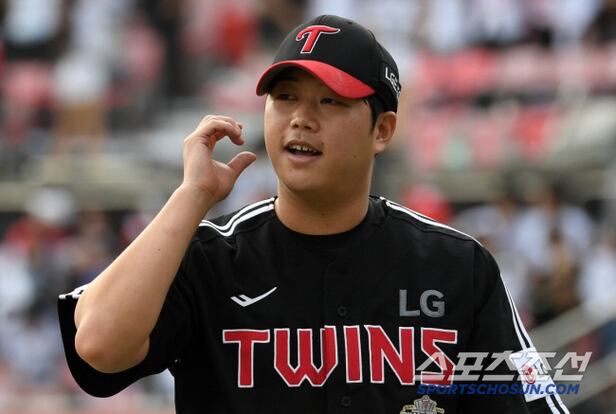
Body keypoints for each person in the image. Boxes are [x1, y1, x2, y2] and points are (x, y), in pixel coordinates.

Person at [58, 15, 569, 413]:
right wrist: (191, 196)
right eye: (285, 98)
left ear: (382, 130)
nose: (301, 118)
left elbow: (532, 403)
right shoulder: (210, 257)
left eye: (330, 101)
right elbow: (98, 348)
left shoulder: (457, 265)